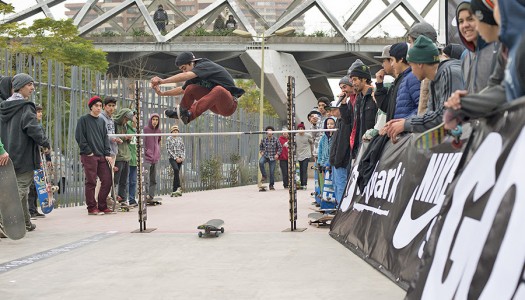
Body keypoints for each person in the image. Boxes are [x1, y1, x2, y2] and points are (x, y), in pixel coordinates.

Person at [385, 36, 463, 142]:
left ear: (420, 64)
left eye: (411, 66)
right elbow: (432, 114)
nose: (412, 72)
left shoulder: (449, 73)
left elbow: (446, 116)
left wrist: (406, 124)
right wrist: (405, 121)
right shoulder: (434, 78)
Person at [0, 73, 51, 230]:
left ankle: (26, 222)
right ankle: (3, 220)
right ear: (20, 86)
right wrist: (45, 142)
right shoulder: (26, 107)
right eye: (29, 84)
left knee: (20, 188)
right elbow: (33, 129)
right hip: (24, 156)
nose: (32, 88)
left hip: (8, 155)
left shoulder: (4, 107)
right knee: (20, 189)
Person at [151, 52, 245, 125]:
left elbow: (186, 76)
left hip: (229, 105)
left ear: (192, 63)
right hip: (214, 105)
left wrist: (162, 81)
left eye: (184, 68)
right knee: (190, 88)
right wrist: (162, 93)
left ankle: (190, 115)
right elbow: (182, 90)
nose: (184, 71)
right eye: (182, 70)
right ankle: (183, 113)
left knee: (219, 90)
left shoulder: (204, 65)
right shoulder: (194, 77)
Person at [75, 96, 113, 215]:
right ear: (91, 106)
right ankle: (91, 207)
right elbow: (79, 137)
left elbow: (105, 138)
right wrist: (88, 151)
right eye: (96, 105)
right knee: (91, 181)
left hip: (101, 155)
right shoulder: (83, 120)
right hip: (89, 156)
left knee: (107, 180)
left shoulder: (102, 121)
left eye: (100, 106)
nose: (98, 108)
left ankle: (102, 205)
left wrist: (107, 153)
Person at [456, 1, 499, 94]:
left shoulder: (499, 50)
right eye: (461, 21)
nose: (465, 25)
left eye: (470, 19)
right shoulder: (465, 57)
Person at [348, 59, 377, 159]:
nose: (353, 83)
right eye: (352, 80)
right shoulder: (358, 100)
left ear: (364, 79)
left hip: (373, 148)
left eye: (355, 79)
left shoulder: (375, 96)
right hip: (360, 150)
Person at [407, 22, 439, 115]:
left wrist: (406, 124)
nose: (410, 47)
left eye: (411, 42)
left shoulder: (442, 72)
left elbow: (441, 116)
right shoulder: (427, 72)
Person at [27, 104, 51, 219]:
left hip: (39, 158)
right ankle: (30, 210)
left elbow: (44, 141)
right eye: (38, 112)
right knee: (31, 185)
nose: (40, 114)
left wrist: (48, 158)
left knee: (39, 185)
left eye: (41, 111)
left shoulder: (39, 126)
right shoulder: (30, 125)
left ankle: (35, 209)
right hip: (30, 158)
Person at [389, 42, 421, 119]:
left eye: (392, 60)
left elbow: (422, 108)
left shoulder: (412, 78)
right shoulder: (405, 78)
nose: (391, 64)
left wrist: (403, 123)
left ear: (401, 59)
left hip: (409, 129)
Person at [328, 98, 351, 204]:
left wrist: (338, 160)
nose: (331, 112)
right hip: (336, 160)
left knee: (341, 186)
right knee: (336, 186)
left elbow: (343, 143)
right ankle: (339, 207)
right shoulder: (338, 121)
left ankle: (342, 209)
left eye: (333, 110)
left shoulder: (345, 122)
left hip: (341, 161)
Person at [113, 108, 134, 205]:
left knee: (124, 180)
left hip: (126, 156)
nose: (126, 121)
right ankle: (112, 198)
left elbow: (126, 140)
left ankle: (123, 199)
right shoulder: (114, 124)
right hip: (118, 156)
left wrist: (128, 138)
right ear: (122, 116)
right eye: (125, 119)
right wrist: (124, 137)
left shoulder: (125, 125)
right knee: (115, 180)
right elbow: (112, 137)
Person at [143, 114, 161, 202]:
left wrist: (157, 152)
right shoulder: (145, 129)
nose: (155, 121)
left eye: (156, 120)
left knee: (153, 179)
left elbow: (158, 141)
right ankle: (145, 196)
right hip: (147, 158)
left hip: (155, 158)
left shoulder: (158, 131)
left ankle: (151, 196)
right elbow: (143, 142)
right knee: (145, 178)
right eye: (153, 119)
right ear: (150, 120)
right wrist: (147, 151)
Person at [259, 126, 282, 191]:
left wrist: (277, 154)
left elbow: (280, 147)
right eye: (268, 131)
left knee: (272, 172)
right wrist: (261, 152)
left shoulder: (276, 139)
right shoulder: (263, 140)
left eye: (271, 131)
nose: (269, 133)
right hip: (265, 156)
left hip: (272, 157)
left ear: (272, 133)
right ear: (266, 132)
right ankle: (264, 175)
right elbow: (261, 147)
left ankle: (271, 185)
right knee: (261, 162)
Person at [166, 125, 185, 197]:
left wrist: (182, 157)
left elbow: (183, 148)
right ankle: (179, 186)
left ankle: (174, 190)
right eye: (174, 131)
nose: (175, 132)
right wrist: (176, 158)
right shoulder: (169, 139)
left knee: (176, 173)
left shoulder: (180, 139)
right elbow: (168, 150)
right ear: (171, 132)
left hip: (180, 158)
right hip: (172, 158)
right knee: (176, 170)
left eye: (176, 130)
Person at [295, 122, 313, 190]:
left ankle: (304, 184)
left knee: (304, 169)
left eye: (302, 128)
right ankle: (300, 183)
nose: (300, 130)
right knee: (299, 170)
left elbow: (312, 142)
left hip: (306, 155)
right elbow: (292, 143)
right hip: (299, 155)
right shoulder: (296, 136)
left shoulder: (308, 135)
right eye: (299, 128)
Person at [126, 116, 138, 206]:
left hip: (136, 159)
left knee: (133, 181)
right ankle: (123, 199)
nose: (136, 117)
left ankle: (132, 199)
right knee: (126, 181)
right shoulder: (127, 127)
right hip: (127, 158)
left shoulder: (139, 130)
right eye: (134, 115)